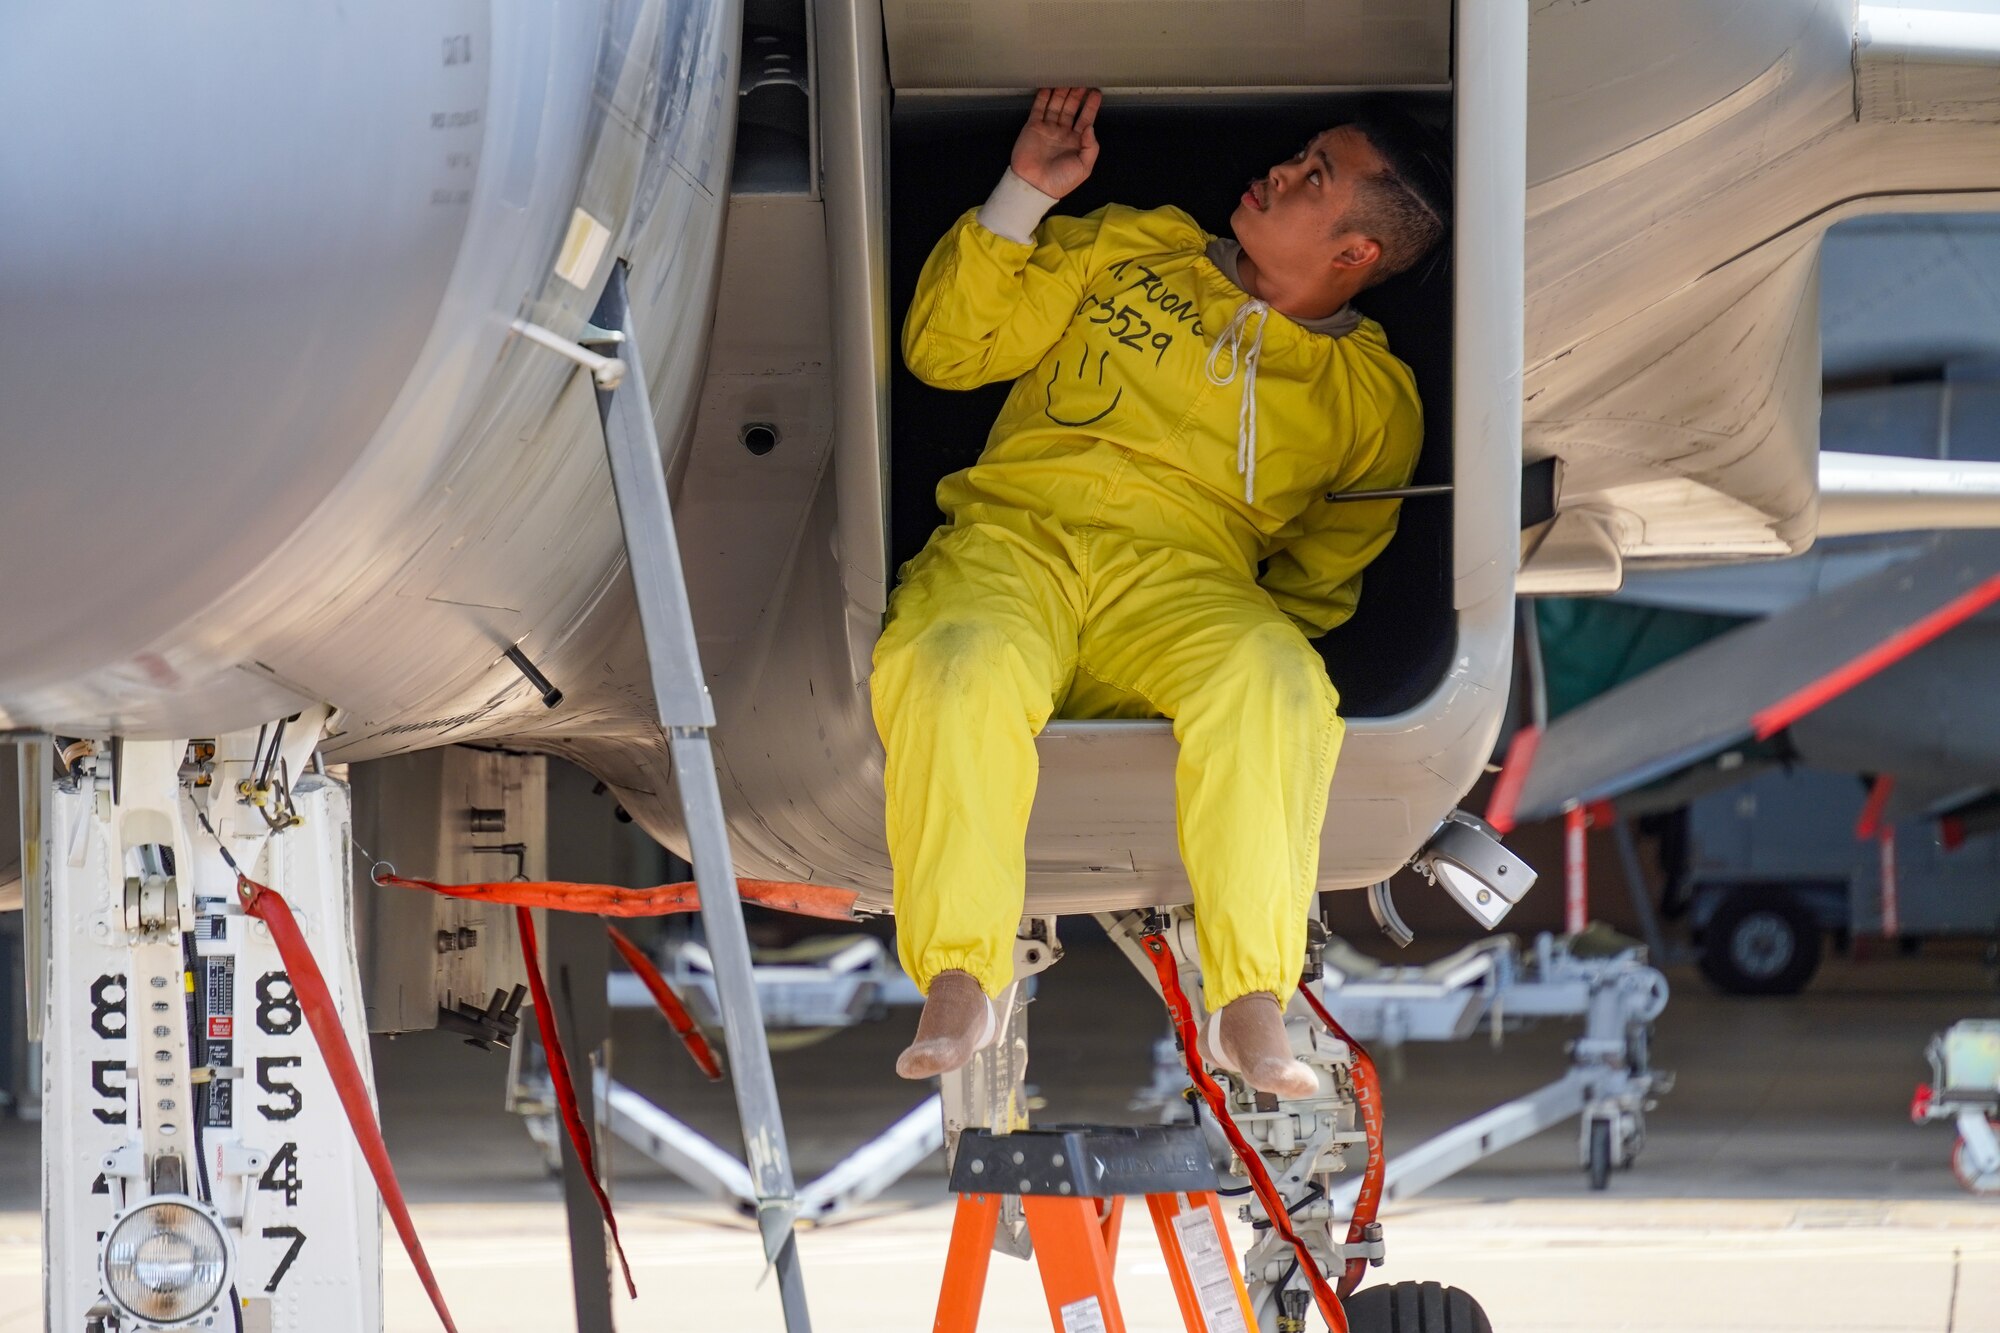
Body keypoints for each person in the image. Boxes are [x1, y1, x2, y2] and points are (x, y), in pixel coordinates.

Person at [874, 87, 1449, 1098]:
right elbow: (944, 351)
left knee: (1273, 675)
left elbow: (1321, 577)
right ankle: (961, 969)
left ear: (1354, 252)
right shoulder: (1133, 245)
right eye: (1298, 154)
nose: (1279, 170)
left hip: (1184, 588)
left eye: (1313, 176)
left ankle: (1249, 999)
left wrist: (1224, 665)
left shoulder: (1369, 398)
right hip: (1015, 546)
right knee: (954, 663)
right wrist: (1022, 195)